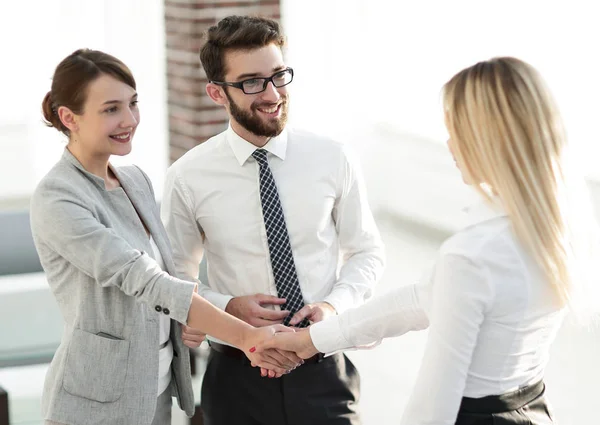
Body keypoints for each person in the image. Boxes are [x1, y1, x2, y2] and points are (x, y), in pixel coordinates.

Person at [257, 57, 599, 424]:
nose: (450, 145)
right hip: (531, 409)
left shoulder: (471, 256)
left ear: (487, 140)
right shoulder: (550, 228)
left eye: (456, 130)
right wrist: (312, 340)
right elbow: (422, 299)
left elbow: (436, 401)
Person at [32, 48, 300, 425]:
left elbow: (169, 274)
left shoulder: (135, 181)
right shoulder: (57, 198)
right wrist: (246, 338)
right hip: (96, 400)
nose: (130, 120)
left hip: (153, 387)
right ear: (68, 118)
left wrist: (188, 321)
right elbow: (141, 278)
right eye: (111, 109)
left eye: (133, 103)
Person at [161, 15, 385, 425]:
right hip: (234, 376)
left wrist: (334, 307)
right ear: (216, 92)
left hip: (325, 368)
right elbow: (173, 277)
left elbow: (366, 251)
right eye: (251, 82)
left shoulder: (333, 158)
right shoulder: (188, 176)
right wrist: (227, 307)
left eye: (278, 75)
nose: (271, 93)